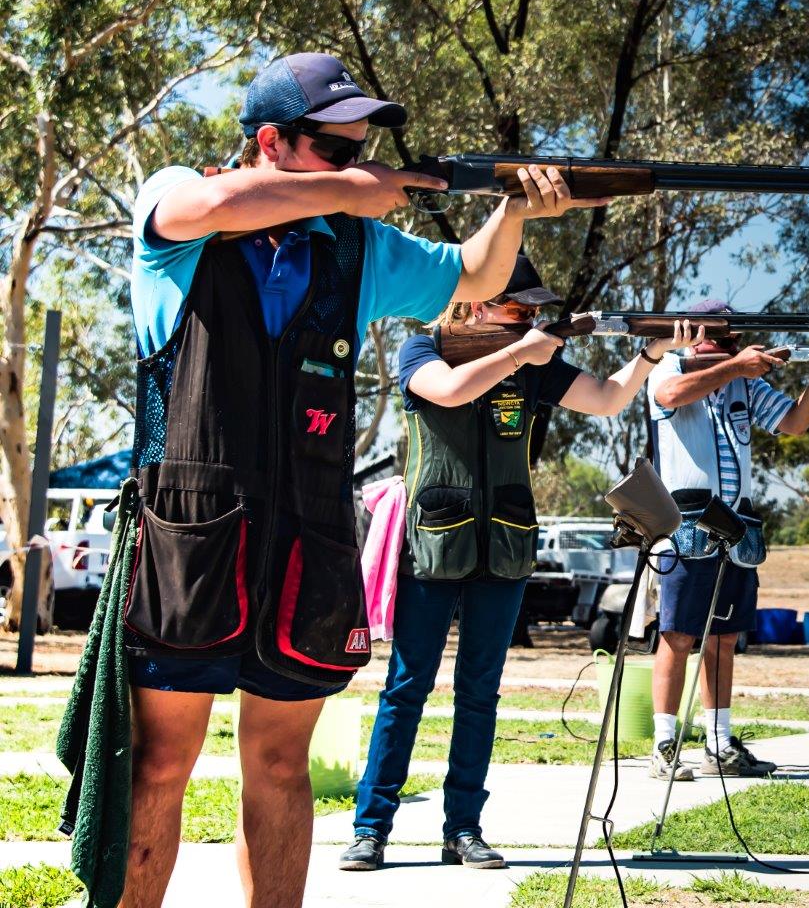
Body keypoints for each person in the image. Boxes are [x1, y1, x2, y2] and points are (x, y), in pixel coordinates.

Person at [123, 52, 604, 908]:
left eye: (360, 152)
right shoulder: (182, 200)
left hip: (307, 531)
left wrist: (513, 209)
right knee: (162, 762)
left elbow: (476, 276)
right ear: (269, 139)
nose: (357, 166)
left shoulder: (355, 243)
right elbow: (220, 204)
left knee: (278, 765)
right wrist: (352, 188)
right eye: (336, 150)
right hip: (187, 534)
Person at [339, 258, 701, 870]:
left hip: (503, 545)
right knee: (406, 689)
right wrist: (526, 351)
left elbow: (609, 400)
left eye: (536, 310)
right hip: (432, 542)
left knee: (480, 695)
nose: (530, 318)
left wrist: (648, 355)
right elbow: (450, 390)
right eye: (517, 307)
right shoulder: (421, 349)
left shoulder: (535, 362)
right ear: (475, 303)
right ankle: (371, 829)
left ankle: (464, 830)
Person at [645, 300, 809, 780]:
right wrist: (733, 366)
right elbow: (673, 395)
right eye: (722, 339)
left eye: (734, 339)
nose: (732, 346)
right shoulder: (669, 365)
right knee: (677, 636)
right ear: (696, 336)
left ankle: (718, 743)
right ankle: (664, 745)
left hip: (737, 527)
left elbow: (795, 422)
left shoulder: (744, 381)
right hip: (686, 523)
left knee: (723, 639)